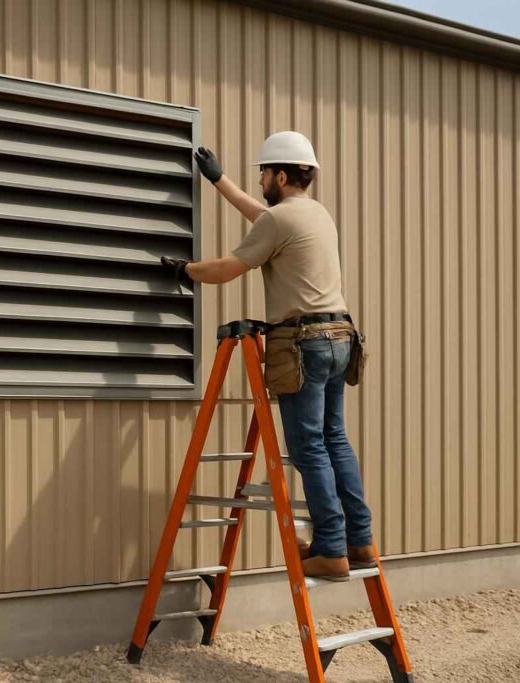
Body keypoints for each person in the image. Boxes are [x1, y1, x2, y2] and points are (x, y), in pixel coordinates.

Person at [159, 131, 374, 581]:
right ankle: (360, 542)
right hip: (340, 335)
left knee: (309, 447)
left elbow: (227, 269)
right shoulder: (316, 215)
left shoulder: (279, 222)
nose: (259, 180)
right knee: (335, 440)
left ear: (281, 174)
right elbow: (264, 217)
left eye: (263, 173)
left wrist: (185, 271)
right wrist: (221, 182)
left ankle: (330, 550)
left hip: (305, 342)